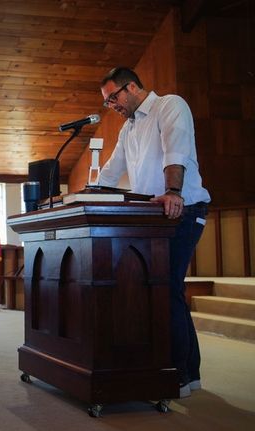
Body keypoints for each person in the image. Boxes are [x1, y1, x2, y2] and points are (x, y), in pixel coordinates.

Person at [98, 67, 211, 399]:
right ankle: (187, 372)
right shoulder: (128, 128)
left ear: (131, 87)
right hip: (150, 217)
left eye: (113, 98)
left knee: (165, 291)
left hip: (182, 210)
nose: (111, 106)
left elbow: (177, 151)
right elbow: (112, 170)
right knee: (163, 292)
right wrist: (79, 198)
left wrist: (173, 191)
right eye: (107, 102)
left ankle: (178, 373)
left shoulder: (169, 106)